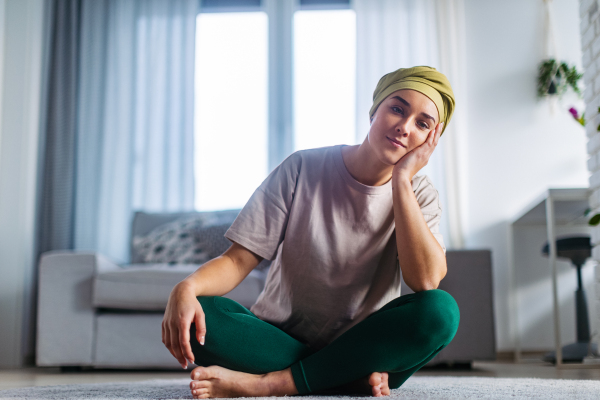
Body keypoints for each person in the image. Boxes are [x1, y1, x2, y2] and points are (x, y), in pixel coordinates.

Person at [162, 66, 460, 399]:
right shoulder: (301, 168)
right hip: (281, 338)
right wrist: (185, 287)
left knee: (440, 312)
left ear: (431, 139)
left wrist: (402, 181)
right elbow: (238, 260)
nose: (404, 128)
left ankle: (271, 384)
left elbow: (425, 282)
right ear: (375, 109)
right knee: (199, 313)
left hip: (362, 342)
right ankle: (343, 377)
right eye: (397, 109)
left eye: (422, 124)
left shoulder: (420, 192)